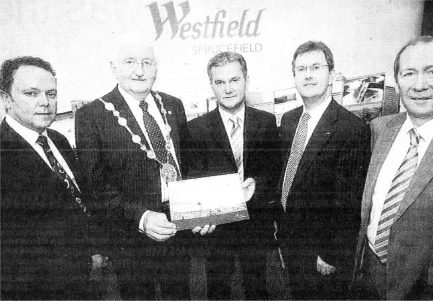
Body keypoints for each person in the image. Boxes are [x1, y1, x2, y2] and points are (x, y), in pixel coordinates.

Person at [75, 35, 200, 299]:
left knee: (180, 294)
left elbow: (188, 164)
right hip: (130, 233)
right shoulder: (92, 116)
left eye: (147, 62)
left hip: (178, 226)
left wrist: (200, 210)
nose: (140, 70)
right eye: (130, 62)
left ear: (156, 66)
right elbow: (95, 186)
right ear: (114, 67)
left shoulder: (173, 105)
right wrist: (142, 218)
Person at [352, 36, 433, 300]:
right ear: (397, 81)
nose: (420, 85)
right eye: (409, 73)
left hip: (428, 288)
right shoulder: (381, 128)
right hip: (369, 272)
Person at [276, 41, 371, 299]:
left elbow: (349, 202)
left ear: (331, 73)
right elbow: (287, 176)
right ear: (294, 75)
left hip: (321, 249)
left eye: (316, 67)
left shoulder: (351, 128)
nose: (308, 74)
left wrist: (331, 253)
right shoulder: (289, 120)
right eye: (301, 69)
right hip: (290, 239)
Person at [0, 56, 101, 299]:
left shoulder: (58, 140)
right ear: (6, 99)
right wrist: (84, 265)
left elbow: (80, 204)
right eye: (31, 93)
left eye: (51, 93)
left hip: (87, 283)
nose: (45, 102)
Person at [188, 51, 282, 300]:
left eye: (234, 80)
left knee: (258, 289)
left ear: (246, 81)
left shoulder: (266, 122)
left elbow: (274, 170)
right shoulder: (196, 129)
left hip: (256, 224)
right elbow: (193, 177)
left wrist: (257, 184)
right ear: (212, 86)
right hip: (217, 229)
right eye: (220, 82)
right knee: (217, 290)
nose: (228, 89)